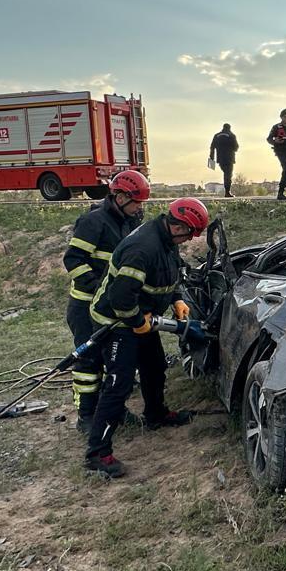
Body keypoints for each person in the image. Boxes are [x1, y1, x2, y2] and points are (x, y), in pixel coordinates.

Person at [84, 197, 210, 478]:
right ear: (178, 227)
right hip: (116, 321)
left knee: (154, 366)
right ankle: (98, 453)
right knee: (119, 383)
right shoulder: (142, 248)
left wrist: (176, 298)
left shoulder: (165, 239)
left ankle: (156, 414)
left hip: (141, 316)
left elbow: (170, 272)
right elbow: (120, 297)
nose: (189, 240)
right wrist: (137, 322)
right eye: (189, 234)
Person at [62, 169, 149, 436]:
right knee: (88, 362)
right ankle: (86, 414)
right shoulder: (94, 221)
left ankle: (114, 409)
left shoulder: (129, 221)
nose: (139, 207)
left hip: (110, 306)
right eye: (136, 202)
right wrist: (98, 287)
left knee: (115, 362)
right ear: (120, 197)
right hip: (85, 305)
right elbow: (73, 260)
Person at [208, 124, 239, 198]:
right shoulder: (231, 135)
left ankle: (227, 191)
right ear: (229, 128)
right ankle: (227, 192)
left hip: (220, 159)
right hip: (229, 158)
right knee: (228, 174)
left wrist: (212, 158)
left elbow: (212, 147)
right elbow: (236, 147)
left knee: (226, 173)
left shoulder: (216, 136)